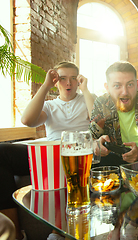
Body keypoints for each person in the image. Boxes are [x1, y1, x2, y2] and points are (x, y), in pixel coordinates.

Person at [0, 62, 95, 240]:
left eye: (73, 78)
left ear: (79, 81)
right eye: (63, 78)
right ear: (56, 82)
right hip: (50, 155)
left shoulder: (87, 99)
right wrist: (45, 86)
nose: (69, 83)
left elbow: (97, 120)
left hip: (78, 153)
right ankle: (13, 232)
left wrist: (86, 89)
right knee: (1, 152)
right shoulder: (50, 106)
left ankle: (60, 232)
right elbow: (27, 120)